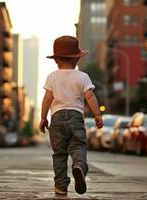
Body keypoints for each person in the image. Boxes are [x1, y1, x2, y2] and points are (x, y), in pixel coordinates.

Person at [39, 35, 103, 195]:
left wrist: (43, 118)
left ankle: (60, 186)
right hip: (76, 118)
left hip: (57, 119)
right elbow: (90, 96)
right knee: (78, 146)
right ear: (77, 59)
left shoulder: (52, 77)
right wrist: (97, 115)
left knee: (59, 154)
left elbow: (47, 98)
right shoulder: (83, 77)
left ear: (56, 60)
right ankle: (79, 166)